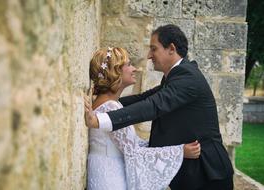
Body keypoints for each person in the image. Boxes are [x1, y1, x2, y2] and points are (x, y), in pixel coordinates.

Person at [85, 24, 234, 190]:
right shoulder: (176, 75)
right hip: (190, 172)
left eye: (153, 49)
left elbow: (153, 106)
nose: (149, 55)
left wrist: (100, 119)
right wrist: (104, 102)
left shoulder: (187, 78)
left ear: (171, 49)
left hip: (207, 173)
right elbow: (145, 98)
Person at [85, 47, 201, 190]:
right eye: (128, 65)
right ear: (115, 71)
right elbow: (134, 153)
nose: (135, 69)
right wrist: (180, 152)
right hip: (110, 178)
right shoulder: (110, 107)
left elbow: (131, 144)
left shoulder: (110, 103)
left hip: (105, 171)